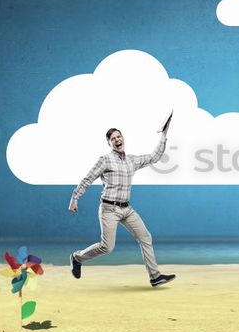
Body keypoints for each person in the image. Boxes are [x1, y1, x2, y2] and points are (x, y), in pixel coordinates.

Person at [68, 121, 176, 287]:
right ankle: (77, 257)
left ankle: (155, 276)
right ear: (109, 143)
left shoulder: (131, 161)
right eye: (113, 138)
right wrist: (75, 198)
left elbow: (154, 157)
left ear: (123, 138)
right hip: (109, 209)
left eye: (119, 136)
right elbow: (88, 178)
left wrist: (163, 135)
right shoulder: (105, 160)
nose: (117, 140)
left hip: (127, 209)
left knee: (145, 237)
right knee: (107, 247)